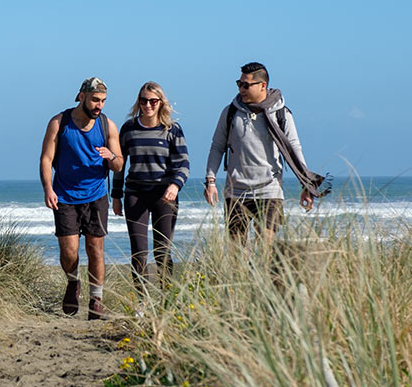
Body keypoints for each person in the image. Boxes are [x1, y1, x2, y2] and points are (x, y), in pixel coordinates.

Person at [204, 62, 328, 242]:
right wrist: (210, 180)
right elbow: (217, 146)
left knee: (266, 247)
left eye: (246, 85)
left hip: (269, 190)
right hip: (236, 191)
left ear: (263, 85)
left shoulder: (281, 114)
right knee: (236, 252)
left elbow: (295, 149)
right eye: (239, 84)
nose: (241, 89)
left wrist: (306, 185)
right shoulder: (230, 112)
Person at [40, 77, 123, 320]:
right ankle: (72, 282)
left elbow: (119, 165)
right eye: (95, 100)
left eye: (103, 101)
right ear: (82, 96)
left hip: (96, 195)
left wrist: (111, 156)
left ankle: (96, 300)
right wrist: (48, 188)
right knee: (70, 252)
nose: (99, 106)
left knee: (95, 249)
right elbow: (46, 158)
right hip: (65, 195)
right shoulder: (59, 123)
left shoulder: (108, 126)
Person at [111, 82, 189, 293]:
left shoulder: (172, 129)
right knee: (139, 252)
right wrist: (116, 196)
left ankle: (167, 298)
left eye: (153, 101)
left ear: (160, 103)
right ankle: (142, 302)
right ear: (139, 102)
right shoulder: (129, 128)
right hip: (135, 195)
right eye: (144, 101)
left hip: (164, 196)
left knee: (162, 251)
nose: (148, 105)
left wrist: (175, 185)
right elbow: (119, 164)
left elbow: (183, 163)